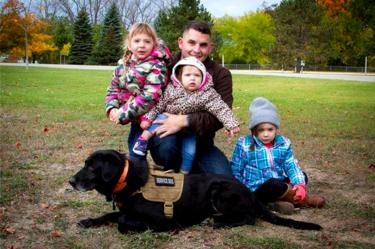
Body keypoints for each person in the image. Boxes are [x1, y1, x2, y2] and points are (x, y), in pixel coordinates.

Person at [145, 20, 234, 175]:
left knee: (223, 178)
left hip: (201, 142)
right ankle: (174, 173)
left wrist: (184, 121)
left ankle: (191, 173)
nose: (196, 50)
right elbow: (147, 97)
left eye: (203, 45)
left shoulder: (221, 74)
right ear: (181, 42)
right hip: (164, 136)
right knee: (168, 149)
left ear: (211, 47)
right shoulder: (164, 67)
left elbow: (220, 116)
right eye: (191, 43)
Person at [132, 56, 240, 174]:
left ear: (203, 77)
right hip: (167, 118)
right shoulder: (172, 90)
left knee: (190, 152)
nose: (192, 79)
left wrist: (231, 124)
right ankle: (143, 140)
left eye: (197, 75)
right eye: (188, 75)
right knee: (158, 121)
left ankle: (185, 173)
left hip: (189, 129)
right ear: (179, 77)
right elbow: (159, 105)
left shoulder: (208, 94)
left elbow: (221, 108)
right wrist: (147, 118)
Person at [230, 97, 326, 214]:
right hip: (256, 189)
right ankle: (305, 200)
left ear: (276, 128)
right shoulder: (244, 143)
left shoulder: (283, 143)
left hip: (278, 183)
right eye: (261, 130)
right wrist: (241, 193)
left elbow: (290, 164)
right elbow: (236, 169)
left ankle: (277, 203)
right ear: (254, 130)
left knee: (302, 176)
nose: (266, 134)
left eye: (270, 129)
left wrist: (300, 185)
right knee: (273, 184)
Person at [105, 23, 172, 158]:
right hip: (135, 120)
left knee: (164, 153)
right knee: (134, 152)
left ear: (154, 44)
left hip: (153, 118)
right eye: (137, 41)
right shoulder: (122, 65)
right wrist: (112, 108)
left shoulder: (157, 65)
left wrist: (122, 113)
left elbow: (149, 96)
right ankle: (138, 174)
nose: (142, 45)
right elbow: (113, 88)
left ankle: (169, 171)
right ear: (129, 45)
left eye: (147, 41)